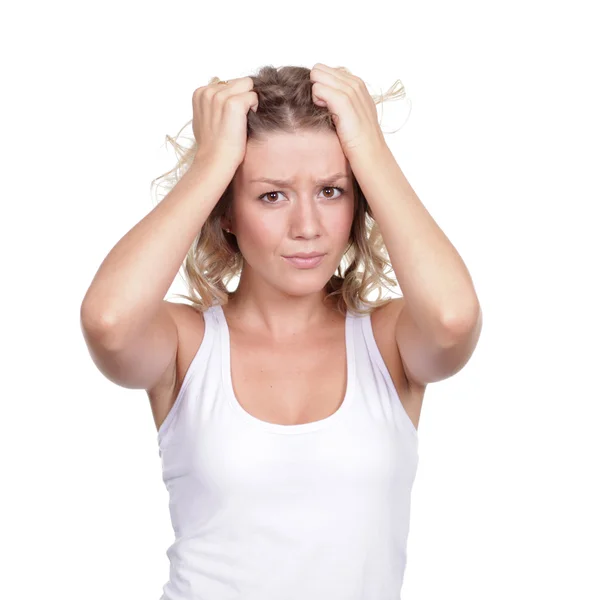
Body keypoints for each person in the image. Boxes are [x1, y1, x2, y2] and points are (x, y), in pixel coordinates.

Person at [80, 64, 482, 599]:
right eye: (272, 195)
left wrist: (371, 152)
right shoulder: (188, 345)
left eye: (331, 191)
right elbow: (108, 322)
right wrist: (212, 164)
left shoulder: (388, 345)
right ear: (227, 210)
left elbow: (455, 319)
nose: (308, 226)